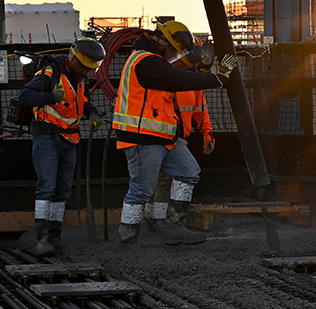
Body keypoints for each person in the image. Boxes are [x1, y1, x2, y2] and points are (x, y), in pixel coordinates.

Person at [113, 21, 236, 247]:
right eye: (177, 51)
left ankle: (175, 227)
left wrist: (205, 73)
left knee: (189, 172)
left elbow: (177, 76)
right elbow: (177, 78)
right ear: (165, 43)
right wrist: (218, 79)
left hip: (165, 137)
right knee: (142, 188)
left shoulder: (153, 62)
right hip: (142, 138)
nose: (177, 56)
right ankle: (127, 235)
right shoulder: (146, 61)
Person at [17, 37, 106, 257]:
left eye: (89, 68)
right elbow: (24, 95)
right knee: (47, 187)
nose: (86, 72)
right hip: (47, 138)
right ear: (73, 58)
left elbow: (83, 101)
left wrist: (93, 114)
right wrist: (51, 96)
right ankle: (41, 239)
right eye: (83, 66)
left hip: (69, 140)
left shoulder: (79, 80)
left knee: (62, 190)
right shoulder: (51, 72)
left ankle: (55, 236)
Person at [145, 39, 216, 233]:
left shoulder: (190, 81)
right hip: (158, 137)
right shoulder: (165, 76)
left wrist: (207, 133)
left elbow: (200, 110)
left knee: (163, 181)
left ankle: (156, 221)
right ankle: (161, 223)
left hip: (174, 139)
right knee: (162, 181)